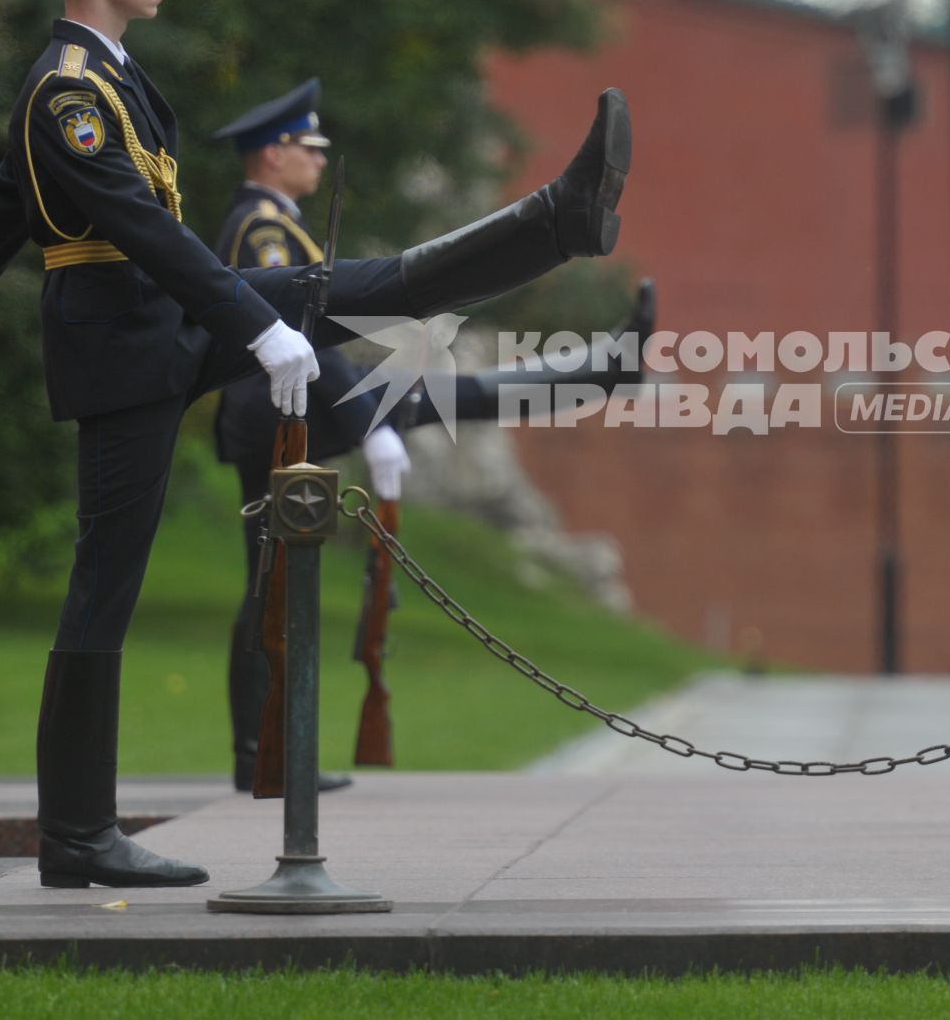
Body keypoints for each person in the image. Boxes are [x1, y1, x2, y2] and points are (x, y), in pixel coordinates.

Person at [0, 0, 634, 888]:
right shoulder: (67, 93)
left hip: (160, 324)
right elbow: (138, 226)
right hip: (123, 347)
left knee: (342, 287)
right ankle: (76, 835)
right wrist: (254, 325)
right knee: (106, 583)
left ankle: (555, 220)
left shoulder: (105, 79)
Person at [206, 79, 655, 793]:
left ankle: (597, 370)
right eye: (309, 148)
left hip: (293, 404)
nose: (319, 160)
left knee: (434, 398)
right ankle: (260, 749)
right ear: (272, 154)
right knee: (270, 585)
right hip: (275, 413)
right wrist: (364, 422)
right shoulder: (260, 226)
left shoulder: (272, 221)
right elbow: (285, 335)